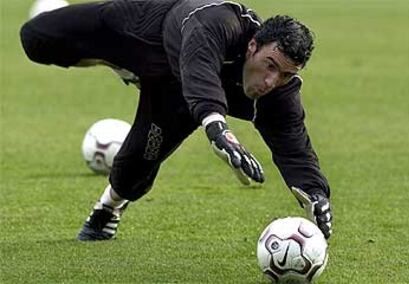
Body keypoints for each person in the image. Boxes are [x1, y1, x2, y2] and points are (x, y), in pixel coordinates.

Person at [20, 0, 333, 241]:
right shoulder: (219, 22)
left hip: (177, 95)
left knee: (140, 160)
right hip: (142, 34)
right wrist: (216, 124)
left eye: (285, 74)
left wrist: (315, 193)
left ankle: (108, 208)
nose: (270, 81)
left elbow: (294, 145)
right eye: (269, 65)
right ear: (253, 46)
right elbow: (199, 63)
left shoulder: (279, 93)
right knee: (35, 37)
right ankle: (115, 62)